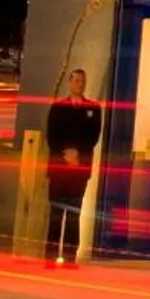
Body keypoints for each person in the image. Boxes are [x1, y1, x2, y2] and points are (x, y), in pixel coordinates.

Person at [44, 68, 102, 265]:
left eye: (82, 81)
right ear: (70, 83)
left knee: (74, 211)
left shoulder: (93, 109)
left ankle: (70, 254)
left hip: (80, 168)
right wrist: (65, 153)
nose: (79, 84)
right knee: (56, 211)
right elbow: (52, 136)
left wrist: (78, 154)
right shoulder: (58, 107)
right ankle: (51, 252)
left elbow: (93, 137)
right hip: (60, 167)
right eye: (76, 81)